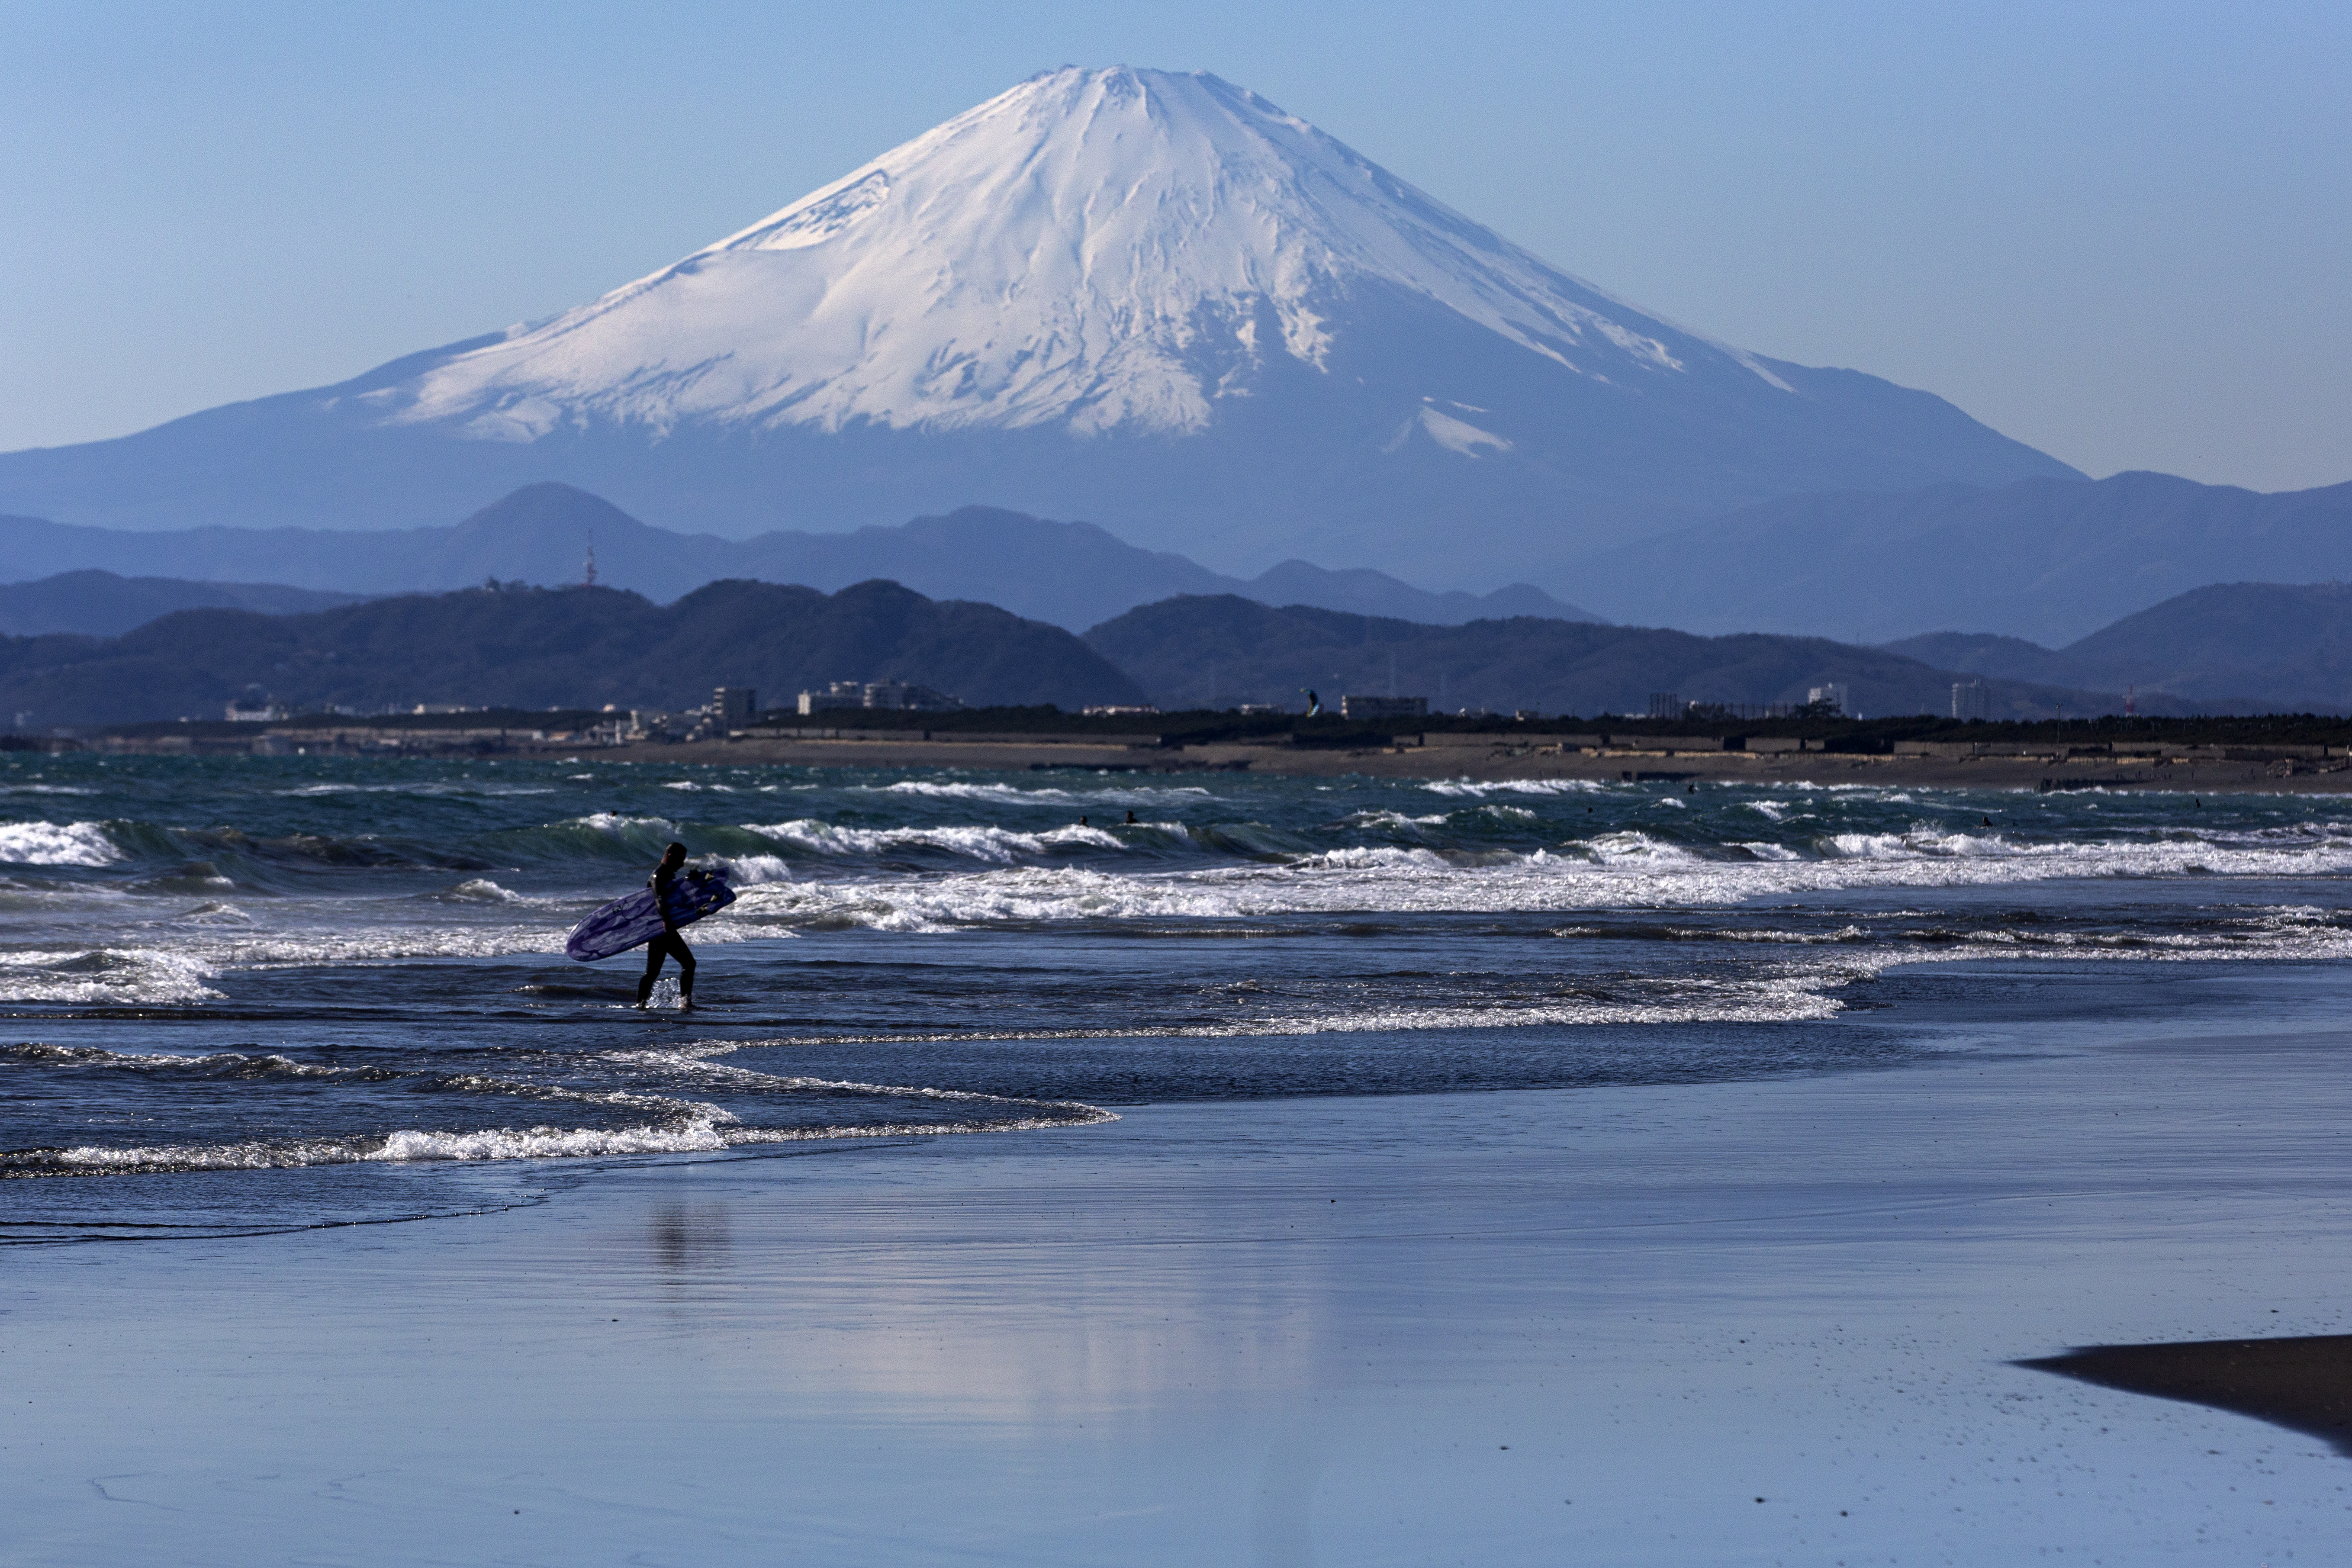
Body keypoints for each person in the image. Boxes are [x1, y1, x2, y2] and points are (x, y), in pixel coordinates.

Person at [637, 841, 697, 1011]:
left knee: (652, 973)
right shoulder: (658, 876)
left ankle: (640, 1005)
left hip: (660, 929)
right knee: (689, 963)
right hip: (663, 929)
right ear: (670, 857)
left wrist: (690, 881)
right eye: (681, 859)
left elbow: (677, 897)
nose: (683, 864)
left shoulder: (668, 876)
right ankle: (685, 1003)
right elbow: (659, 900)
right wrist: (667, 921)